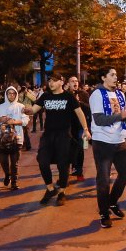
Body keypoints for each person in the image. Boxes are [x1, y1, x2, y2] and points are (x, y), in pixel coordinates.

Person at [25, 73, 91, 207]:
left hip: (64, 135)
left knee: (63, 165)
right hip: (48, 135)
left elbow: (80, 113)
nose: (51, 83)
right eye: (49, 80)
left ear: (61, 82)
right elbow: (33, 110)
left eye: (54, 80)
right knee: (42, 161)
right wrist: (25, 110)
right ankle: (50, 189)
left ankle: (61, 192)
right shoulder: (45, 96)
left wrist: (85, 129)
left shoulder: (68, 97)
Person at [89, 67, 126, 228]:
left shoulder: (120, 94)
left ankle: (112, 202)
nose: (115, 77)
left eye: (116, 75)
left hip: (119, 140)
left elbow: (123, 115)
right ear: (103, 77)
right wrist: (123, 116)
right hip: (102, 142)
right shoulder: (96, 95)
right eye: (112, 75)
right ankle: (104, 213)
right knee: (103, 179)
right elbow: (99, 119)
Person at [0, 85, 30, 190]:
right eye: (9, 93)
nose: (11, 95)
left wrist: (15, 122)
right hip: (1, 140)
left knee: (14, 162)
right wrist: (0, 119)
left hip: (17, 139)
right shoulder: (0, 107)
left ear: (16, 94)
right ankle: (7, 174)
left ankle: (14, 181)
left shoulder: (20, 107)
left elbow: (26, 121)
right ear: (6, 94)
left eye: (13, 93)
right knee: (3, 161)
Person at [67, 74, 90, 180]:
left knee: (81, 147)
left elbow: (89, 108)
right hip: (68, 126)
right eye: (72, 81)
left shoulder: (84, 94)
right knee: (69, 148)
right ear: (68, 84)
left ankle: (79, 171)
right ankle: (71, 169)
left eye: (76, 81)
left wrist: (78, 102)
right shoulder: (65, 95)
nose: (75, 83)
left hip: (81, 126)